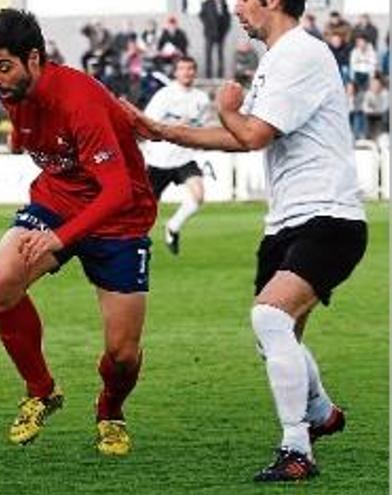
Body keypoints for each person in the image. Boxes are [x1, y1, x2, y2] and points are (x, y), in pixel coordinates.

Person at [122, 0, 366, 481]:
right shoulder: (277, 57)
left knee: (270, 318)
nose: (235, 7)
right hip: (286, 222)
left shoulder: (300, 53)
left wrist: (227, 108)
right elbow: (239, 136)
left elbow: (250, 133)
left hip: (327, 216)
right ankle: (320, 412)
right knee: (276, 337)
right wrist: (161, 130)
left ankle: (298, 450)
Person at [0, 9, 157, 456]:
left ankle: (110, 410)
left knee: (123, 355)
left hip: (120, 217)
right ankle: (41, 390)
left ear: (33, 58)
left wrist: (60, 239)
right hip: (57, 202)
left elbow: (116, 192)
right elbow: (26, 136)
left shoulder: (79, 100)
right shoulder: (14, 91)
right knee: (2, 282)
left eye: (3, 66)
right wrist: (20, 139)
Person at [142, 56, 210, 254]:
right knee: (147, 209)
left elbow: (200, 127)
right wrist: (176, 126)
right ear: (175, 72)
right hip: (159, 160)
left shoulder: (201, 99)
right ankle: (137, 243)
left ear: (194, 72)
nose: (187, 72)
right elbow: (148, 122)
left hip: (184, 158)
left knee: (198, 195)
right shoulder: (164, 95)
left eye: (190, 68)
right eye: (183, 69)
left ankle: (173, 226)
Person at [199, 0, 231, 78]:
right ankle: (208, 75)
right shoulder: (206, 4)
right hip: (210, 34)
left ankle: (220, 74)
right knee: (208, 54)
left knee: (220, 55)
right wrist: (208, 26)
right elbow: (202, 15)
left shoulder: (224, 4)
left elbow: (227, 18)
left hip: (221, 33)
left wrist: (225, 30)